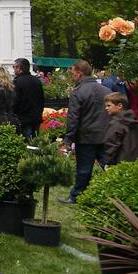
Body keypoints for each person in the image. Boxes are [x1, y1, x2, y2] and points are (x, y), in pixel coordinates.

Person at [61, 60, 111, 204]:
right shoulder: (106, 90)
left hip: (86, 136)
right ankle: (117, 192)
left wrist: (68, 139)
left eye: (73, 73)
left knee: (84, 169)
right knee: (108, 166)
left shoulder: (78, 92)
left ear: (79, 74)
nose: (72, 76)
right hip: (104, 134)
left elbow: (73, 117)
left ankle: (76, 195)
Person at [102, 92, 138, 165]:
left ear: (119, 105)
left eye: (109, 105)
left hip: (120, 163)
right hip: (136, 162)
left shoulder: (116, 123)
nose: (106, 108)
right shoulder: (134, 121)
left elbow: (111, 144)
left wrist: (108, 162)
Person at [12, 58, 44, 139]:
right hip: (36, 117)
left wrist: (13, 113)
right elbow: (42, 99)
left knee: (25, 142)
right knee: (35, 141)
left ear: (19, 68)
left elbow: (15, 101)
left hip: (23, 118)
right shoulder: (36, 80)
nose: (13, 69)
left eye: (14, 67)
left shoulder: (17, 82)